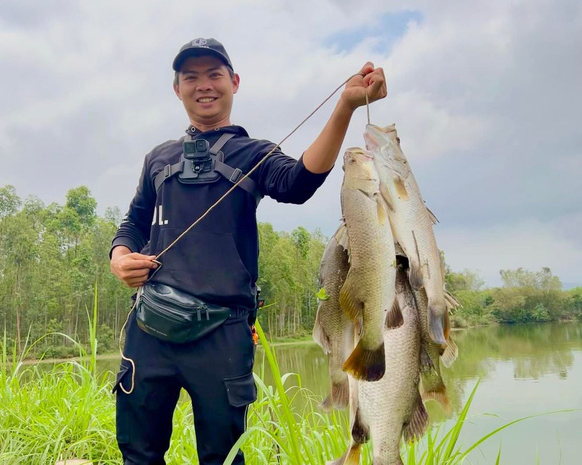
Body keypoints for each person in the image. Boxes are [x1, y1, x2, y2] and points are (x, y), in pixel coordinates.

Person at [109, 37, 387, 465]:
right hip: (150, 331)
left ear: (234, 82)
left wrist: (346, 107)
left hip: (222, 332)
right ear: (177, 88)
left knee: (222, 457)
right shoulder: (157, 159)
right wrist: (120, 257)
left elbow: (299, 182)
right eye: (191, 77)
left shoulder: (253, 152)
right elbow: (133, 222)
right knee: (138, 453)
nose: (204, 85)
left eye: (214, 75)